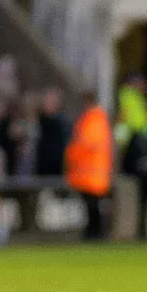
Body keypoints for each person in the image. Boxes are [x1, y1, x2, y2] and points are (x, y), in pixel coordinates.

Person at [64, 97, 111, 240]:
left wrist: (71, 153)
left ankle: (95, 233)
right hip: (92, 173)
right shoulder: (94, 120)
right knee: (92, 206)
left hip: (91, 173)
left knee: (93, 206)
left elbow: (84, 144)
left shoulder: (93, 121)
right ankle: (94, 232)